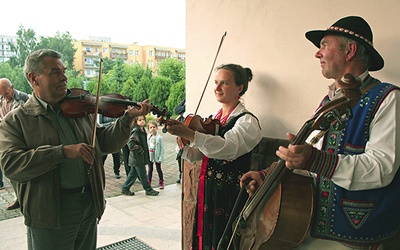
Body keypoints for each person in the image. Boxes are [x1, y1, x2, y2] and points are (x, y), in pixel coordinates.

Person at [241, 16, 400, 249]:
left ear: (350, 50)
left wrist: (316, 160)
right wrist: (269, 174)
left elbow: (382, 168)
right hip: (310, 224)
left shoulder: (388, 98)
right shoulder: (330, 100)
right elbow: (313, 155)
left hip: (356, 232)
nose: (318, 53)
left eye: (324, 45)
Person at [0, 49, 153, 250]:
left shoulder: (79, 111)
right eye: (55, 72)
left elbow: (105, 142)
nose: (64, 77)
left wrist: (127, 119)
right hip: (49, 213)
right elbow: (11, 165)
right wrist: (62, 151)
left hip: (88, 204)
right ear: (34, 78)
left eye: (63, 71)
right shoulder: (16, 120)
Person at [165, 63, 262, 249]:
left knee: (225, 241)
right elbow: (201, 155)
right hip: (209, 190)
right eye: (216, 82)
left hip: (231, 194)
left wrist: (192, 135)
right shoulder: (213, 119)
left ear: (239, 88)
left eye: (224, 83)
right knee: (206, 239)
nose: (217, 88)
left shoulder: (247, 122)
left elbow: (228, 148)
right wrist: (185, 145)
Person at [0, 78, 29, 209]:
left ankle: (23, 198)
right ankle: (18, 197)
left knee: (19, 169)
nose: (4, 97)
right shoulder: (1, 101)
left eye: (6, 93)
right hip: (7, 138)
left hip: (20, 139)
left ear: (12, 87)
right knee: (9, 170)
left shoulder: (23, 98)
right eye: (2, 95)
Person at [121, 115, 159, 196]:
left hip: (139, 157)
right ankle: (148, 189)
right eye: (139, 120)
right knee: (142, 174)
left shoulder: (142, 130)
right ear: (136, 122)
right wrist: (139, 149)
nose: (142, 121)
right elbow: (130, 143)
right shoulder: (136, 131)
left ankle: (125, 188)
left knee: (133, 174)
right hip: (137, 157)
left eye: (143, 119)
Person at [98, 113, 122, 179]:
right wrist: (111, 124)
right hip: (105, 136)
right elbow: (100, 124)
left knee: (116, 155)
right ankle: (99, 171)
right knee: (103, 156)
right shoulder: (102, 113)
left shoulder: (115, 112)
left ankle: (117, 172)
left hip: (114, 136)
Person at [147, 121, 165, 189]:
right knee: (150, 169)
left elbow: (162, 149)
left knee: (158, 169)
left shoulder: (159, 138)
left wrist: (161, 158)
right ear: (148, 129)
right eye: (150, 127)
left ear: (157, 128)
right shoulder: (148, 137)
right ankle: (149, 182)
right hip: (150, 156)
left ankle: (161, 182)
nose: (152, 129)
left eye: (154, 127)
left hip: (157, 156)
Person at [174, 98, 185, 183]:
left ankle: (182, 174)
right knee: (179, 156)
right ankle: (180, 174)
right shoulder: (186, 99)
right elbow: (177, 109)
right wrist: (185, 106)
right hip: (181, 133)